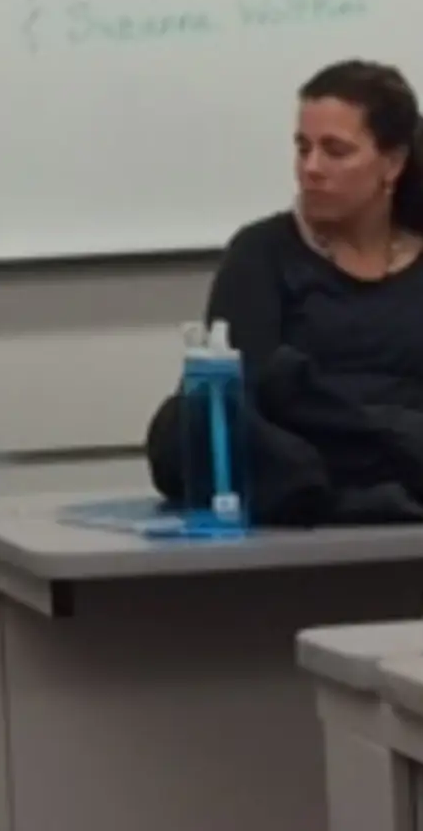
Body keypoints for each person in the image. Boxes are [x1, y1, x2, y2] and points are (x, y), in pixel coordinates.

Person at [148, 59, 423, 523]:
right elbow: (248, 390)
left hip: (402, 456)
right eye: (303, 148)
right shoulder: (263, 251)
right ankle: (343, 496)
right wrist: (377, 429)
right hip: (303, 459)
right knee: (193, 419)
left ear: (392, 163)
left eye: (335, 151)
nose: (311, 168)